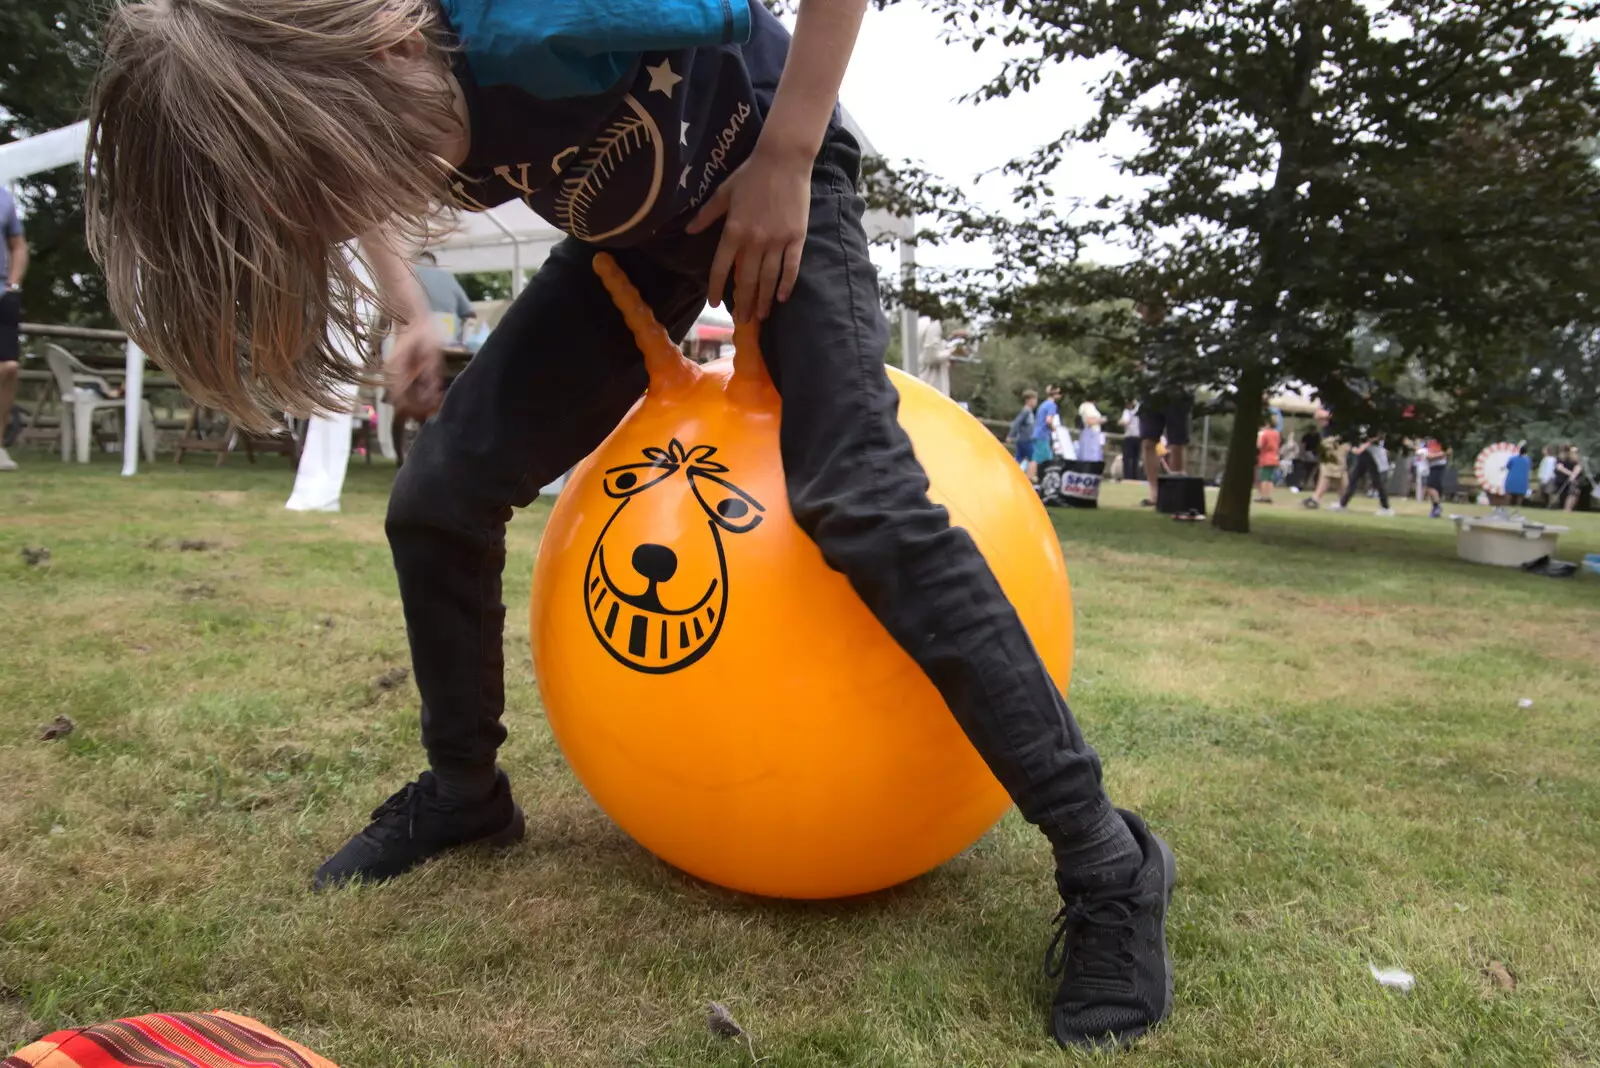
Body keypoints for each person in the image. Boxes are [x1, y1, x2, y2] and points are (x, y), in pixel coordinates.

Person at [86, 0, 1175, 1050]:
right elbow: (347, 167)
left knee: (861, 498)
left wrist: (788, 155)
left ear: (390, 50)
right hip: (632, 242)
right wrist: (409, 309)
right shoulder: (345, 83)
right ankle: (466, 796)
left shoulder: (543, 14)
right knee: (436, 499)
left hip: (773, 177)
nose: (383, 183)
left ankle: (1107, 861)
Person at [1134, 303, 1192, 508]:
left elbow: (1188, 361)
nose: (1140, 313)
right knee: (1148, 442)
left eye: (1143, 308)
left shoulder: (1178, 328)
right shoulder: (1142, 333)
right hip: (1149, 394)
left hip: (1175, 392)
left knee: (1176, 443)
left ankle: (1176, 492)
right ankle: (1154, 494)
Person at [0, 187, 29, 472]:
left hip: (2, 295)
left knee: (8, 368)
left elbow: (18, 245)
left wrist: (14, 284)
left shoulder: (4, 198)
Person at [411, 250, 477, 343]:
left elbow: (390, 308)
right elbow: (471, 314)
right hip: (446, 328)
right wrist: (462, 339)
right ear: (434, 263)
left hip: (414, 327)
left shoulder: (407, 272)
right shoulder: (447, 276)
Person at [1331, 428, 1395, 515]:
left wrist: (1366, 444)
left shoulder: (1374, 426)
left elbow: (1379, 437)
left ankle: (1386, 507)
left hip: (1374, 454)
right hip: (1364, 453)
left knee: (1377, 481)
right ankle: (1342, 504)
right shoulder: (1359, 426)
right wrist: (1356, 446)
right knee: (1354, 478)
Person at [1303, 409, 1342, 509]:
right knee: (1337, 473)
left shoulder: (1339, 403)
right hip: (1329, 440)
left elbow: (1325, 415)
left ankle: (1316, 498)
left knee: (1328, 471)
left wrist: (1324, 415)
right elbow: (1319, 414)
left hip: (1334, 440)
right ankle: (1343, 501)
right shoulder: (1329, 402)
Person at [1008, 389, 1039, 480]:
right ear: (1028, 400)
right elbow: (1017, 423)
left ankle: (1010, 474)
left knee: (1018, 458)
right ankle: (1029, 478)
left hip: (1022, 439)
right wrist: (1011, 435)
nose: (1035, 402)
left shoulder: (1029, 412)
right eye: (1034, 399)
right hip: (1026, 439)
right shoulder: (1026, 411)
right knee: (1033, 458)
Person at [1255, 414, 1280, 504]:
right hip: (1274, 457)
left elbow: (1259, 445)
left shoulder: (1265, 433)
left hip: (1266, 457)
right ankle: (1268, 495)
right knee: (1270, 478)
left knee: (1264, 478)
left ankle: (1263, 496)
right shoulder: (1276, 433)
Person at [1035, 384, 1061, 469]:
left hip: (1037, 433)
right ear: (1056, 394)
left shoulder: (1043, 404)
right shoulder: (1052, 405)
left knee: (1039, 457)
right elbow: (1049, 420)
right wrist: (1054, 428)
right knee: (1041, 459)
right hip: (1043, 435)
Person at [1423, 439, 1449, 518]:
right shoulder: (1429, 442)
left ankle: (1438, 506)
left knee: (1431, 486)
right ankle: (1435, 509)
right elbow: (1428, 456)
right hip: (1432, 466)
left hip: (1438, 466)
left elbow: (1448, 452)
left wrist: (1437, 455)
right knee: (1434, 488)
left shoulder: (1442, 441)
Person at [1118, 403, 1141, 483]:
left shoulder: (1127, 411)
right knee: (1136, 458)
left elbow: (1125, 422)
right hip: (1138, 436)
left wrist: (1119, 422)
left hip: (1130, 436)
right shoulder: (1139, 408)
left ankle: (1128, 477)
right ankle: (1135, 477)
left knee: (1128, 458)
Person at [1503, 444, 1531, 510]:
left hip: (1512, 478)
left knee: (1509, 493)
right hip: (1522, 480)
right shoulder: (1527, 460)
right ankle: (1518, 507)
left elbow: (1508, 466)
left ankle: (1507, 506)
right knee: (1520, 495)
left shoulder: (1512, 458)